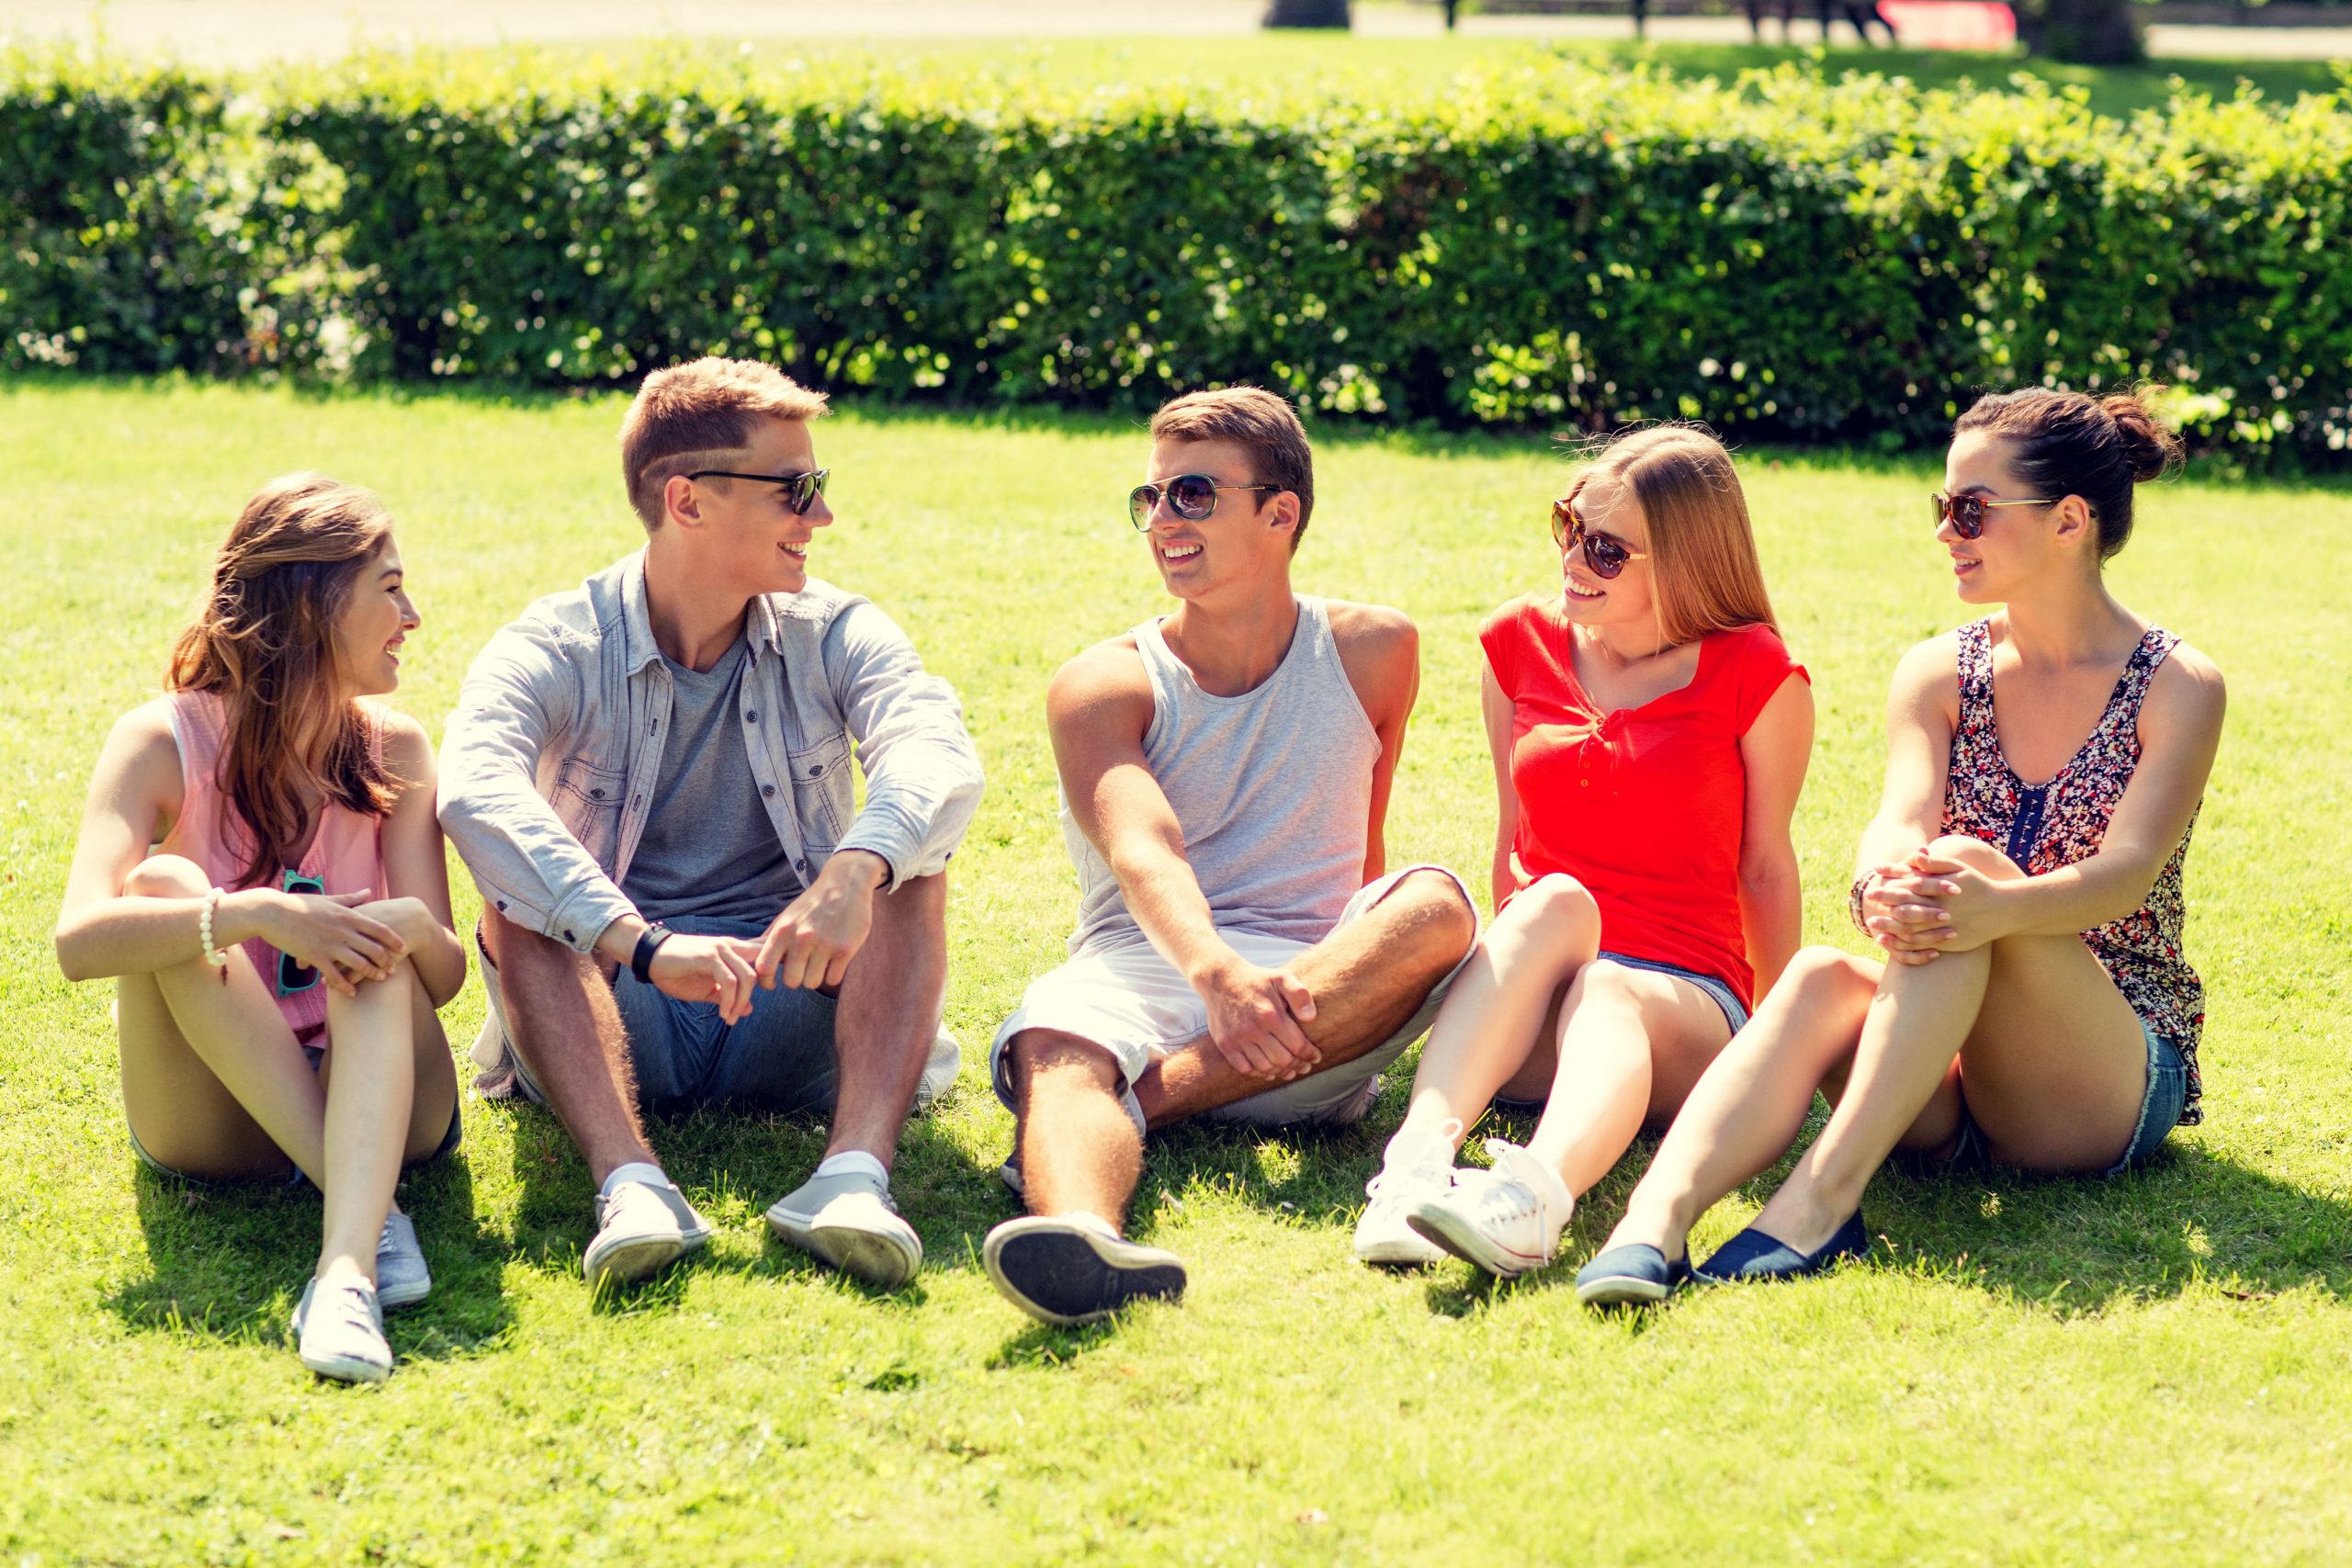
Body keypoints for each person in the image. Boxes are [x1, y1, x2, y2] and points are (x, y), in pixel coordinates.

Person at [1579, 387, 2223, 1305]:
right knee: (1811, 976)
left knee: (1963, 871)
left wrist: (1994, 905)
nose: (1945, 532)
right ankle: (1650, 1225)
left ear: (2068, 521)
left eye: (1971, 510)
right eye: (1942, 508)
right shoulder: (1936, 669)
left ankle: (1818, 1204)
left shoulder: (2178, 685)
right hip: (1943, 1056)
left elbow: (2125, 876)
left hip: (2102, 1074)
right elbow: (1900, 815)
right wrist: (1878, 874)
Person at [438, 356, 983, 1293]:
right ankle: (632, 1187)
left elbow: (934, 747)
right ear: (686, 501)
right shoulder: (558, 640)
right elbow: (474, 786)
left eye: (819, 487)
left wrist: (855, 872)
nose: (821, 517)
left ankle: (851, 1178)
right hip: (615, 1007)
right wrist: (641, 945)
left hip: (797, 997)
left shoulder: (837, 628)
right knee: (520, 897)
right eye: (795, 489)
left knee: (909, 858)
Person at [983, 386, 1480, 1327]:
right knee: (1056, 1043)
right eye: (1152, 498)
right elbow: (1142, 848)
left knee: (1436, 907)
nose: (1162, 519)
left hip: (1320, 997)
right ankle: (1083, 1238)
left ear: (1279, 512)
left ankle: (1146, 1101)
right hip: (1155, 965)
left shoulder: (1375, 649)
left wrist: (1334, 972)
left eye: (1193, 495)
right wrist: (1215, 974)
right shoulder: (1101, 683)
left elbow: (1365, 841)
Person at [1349, 424, 1815, 1277]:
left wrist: (1779, 1051)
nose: (1573, 559)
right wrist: (1506, 987)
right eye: (1570, 526)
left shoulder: (1756, 670)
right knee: (1552, 898)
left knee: (1608, 984)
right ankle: (1411, 1169)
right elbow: (1510, 843)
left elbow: (1765, 868)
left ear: (1684, 560)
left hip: (1688, 1005)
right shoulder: (1515, 640)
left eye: (1606, 549)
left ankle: (1535, 1202)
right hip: (1539, 1003)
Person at [54, 474, 467, 1383]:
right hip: (219, 1111)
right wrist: (258, 914)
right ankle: (363, 1204)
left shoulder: (394, 749)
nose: (414, 615)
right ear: (314, 605)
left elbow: (442, 978)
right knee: (164, 884)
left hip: (393, 1096)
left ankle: (348, 1273)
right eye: (390, 588)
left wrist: (406, 928)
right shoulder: (159, 742)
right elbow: (78, 940)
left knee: (379, 943)